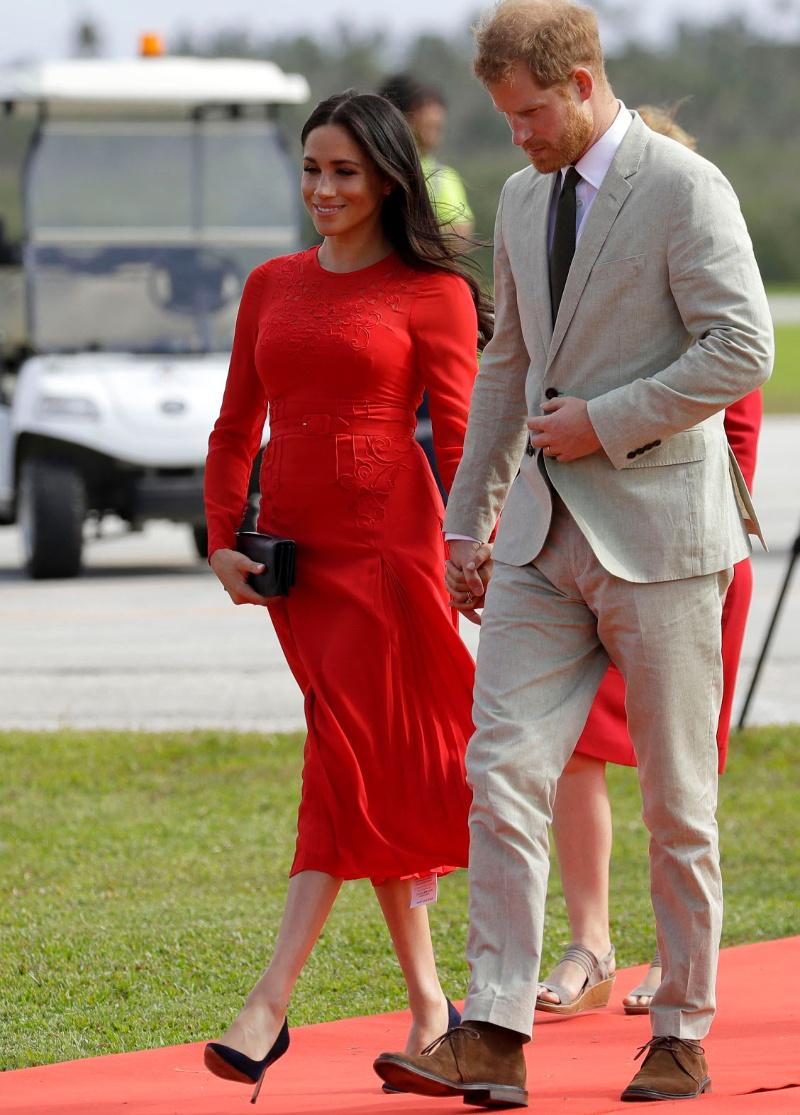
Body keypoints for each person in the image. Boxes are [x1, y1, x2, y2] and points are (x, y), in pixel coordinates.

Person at [373, 0, 773, 1107]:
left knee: (675, 801)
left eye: (530, 112)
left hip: (664, 538)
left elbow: (742, 346)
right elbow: (504, 369)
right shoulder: (514, 195)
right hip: (539, 544)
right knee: (498, 767)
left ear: (584, 77)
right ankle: (492, 1030)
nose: (517, 135)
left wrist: (608, 417)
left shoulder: (684, 189)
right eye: (501, 116)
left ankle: (681, 1029)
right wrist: (465, 520)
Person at [202, 90, 492, 1102]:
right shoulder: (270, 284)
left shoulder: (433, 293)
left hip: (392, 556)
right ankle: (428, 1008)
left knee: (343, 755)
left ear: (384, 180)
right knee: (355, 756)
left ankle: (267, 1005)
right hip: (299, 564)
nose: (322, 189)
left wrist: (474, 549)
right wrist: (218, 538)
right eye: (311, 169)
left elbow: (458, 440)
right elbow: (235, 425)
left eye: (343, 172)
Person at [536, 106, 764, 1018]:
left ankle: (680, 972)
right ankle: (589, 940)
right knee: (573, 748)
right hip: (581, 552)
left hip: (682, 552)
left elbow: (735, 440)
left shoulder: (711, 321)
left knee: (680, 780)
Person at [380, 73, 475, 238]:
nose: (436, 118)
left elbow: (459, 234)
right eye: (423, 107)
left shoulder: (443, 176)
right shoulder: (373, 168)